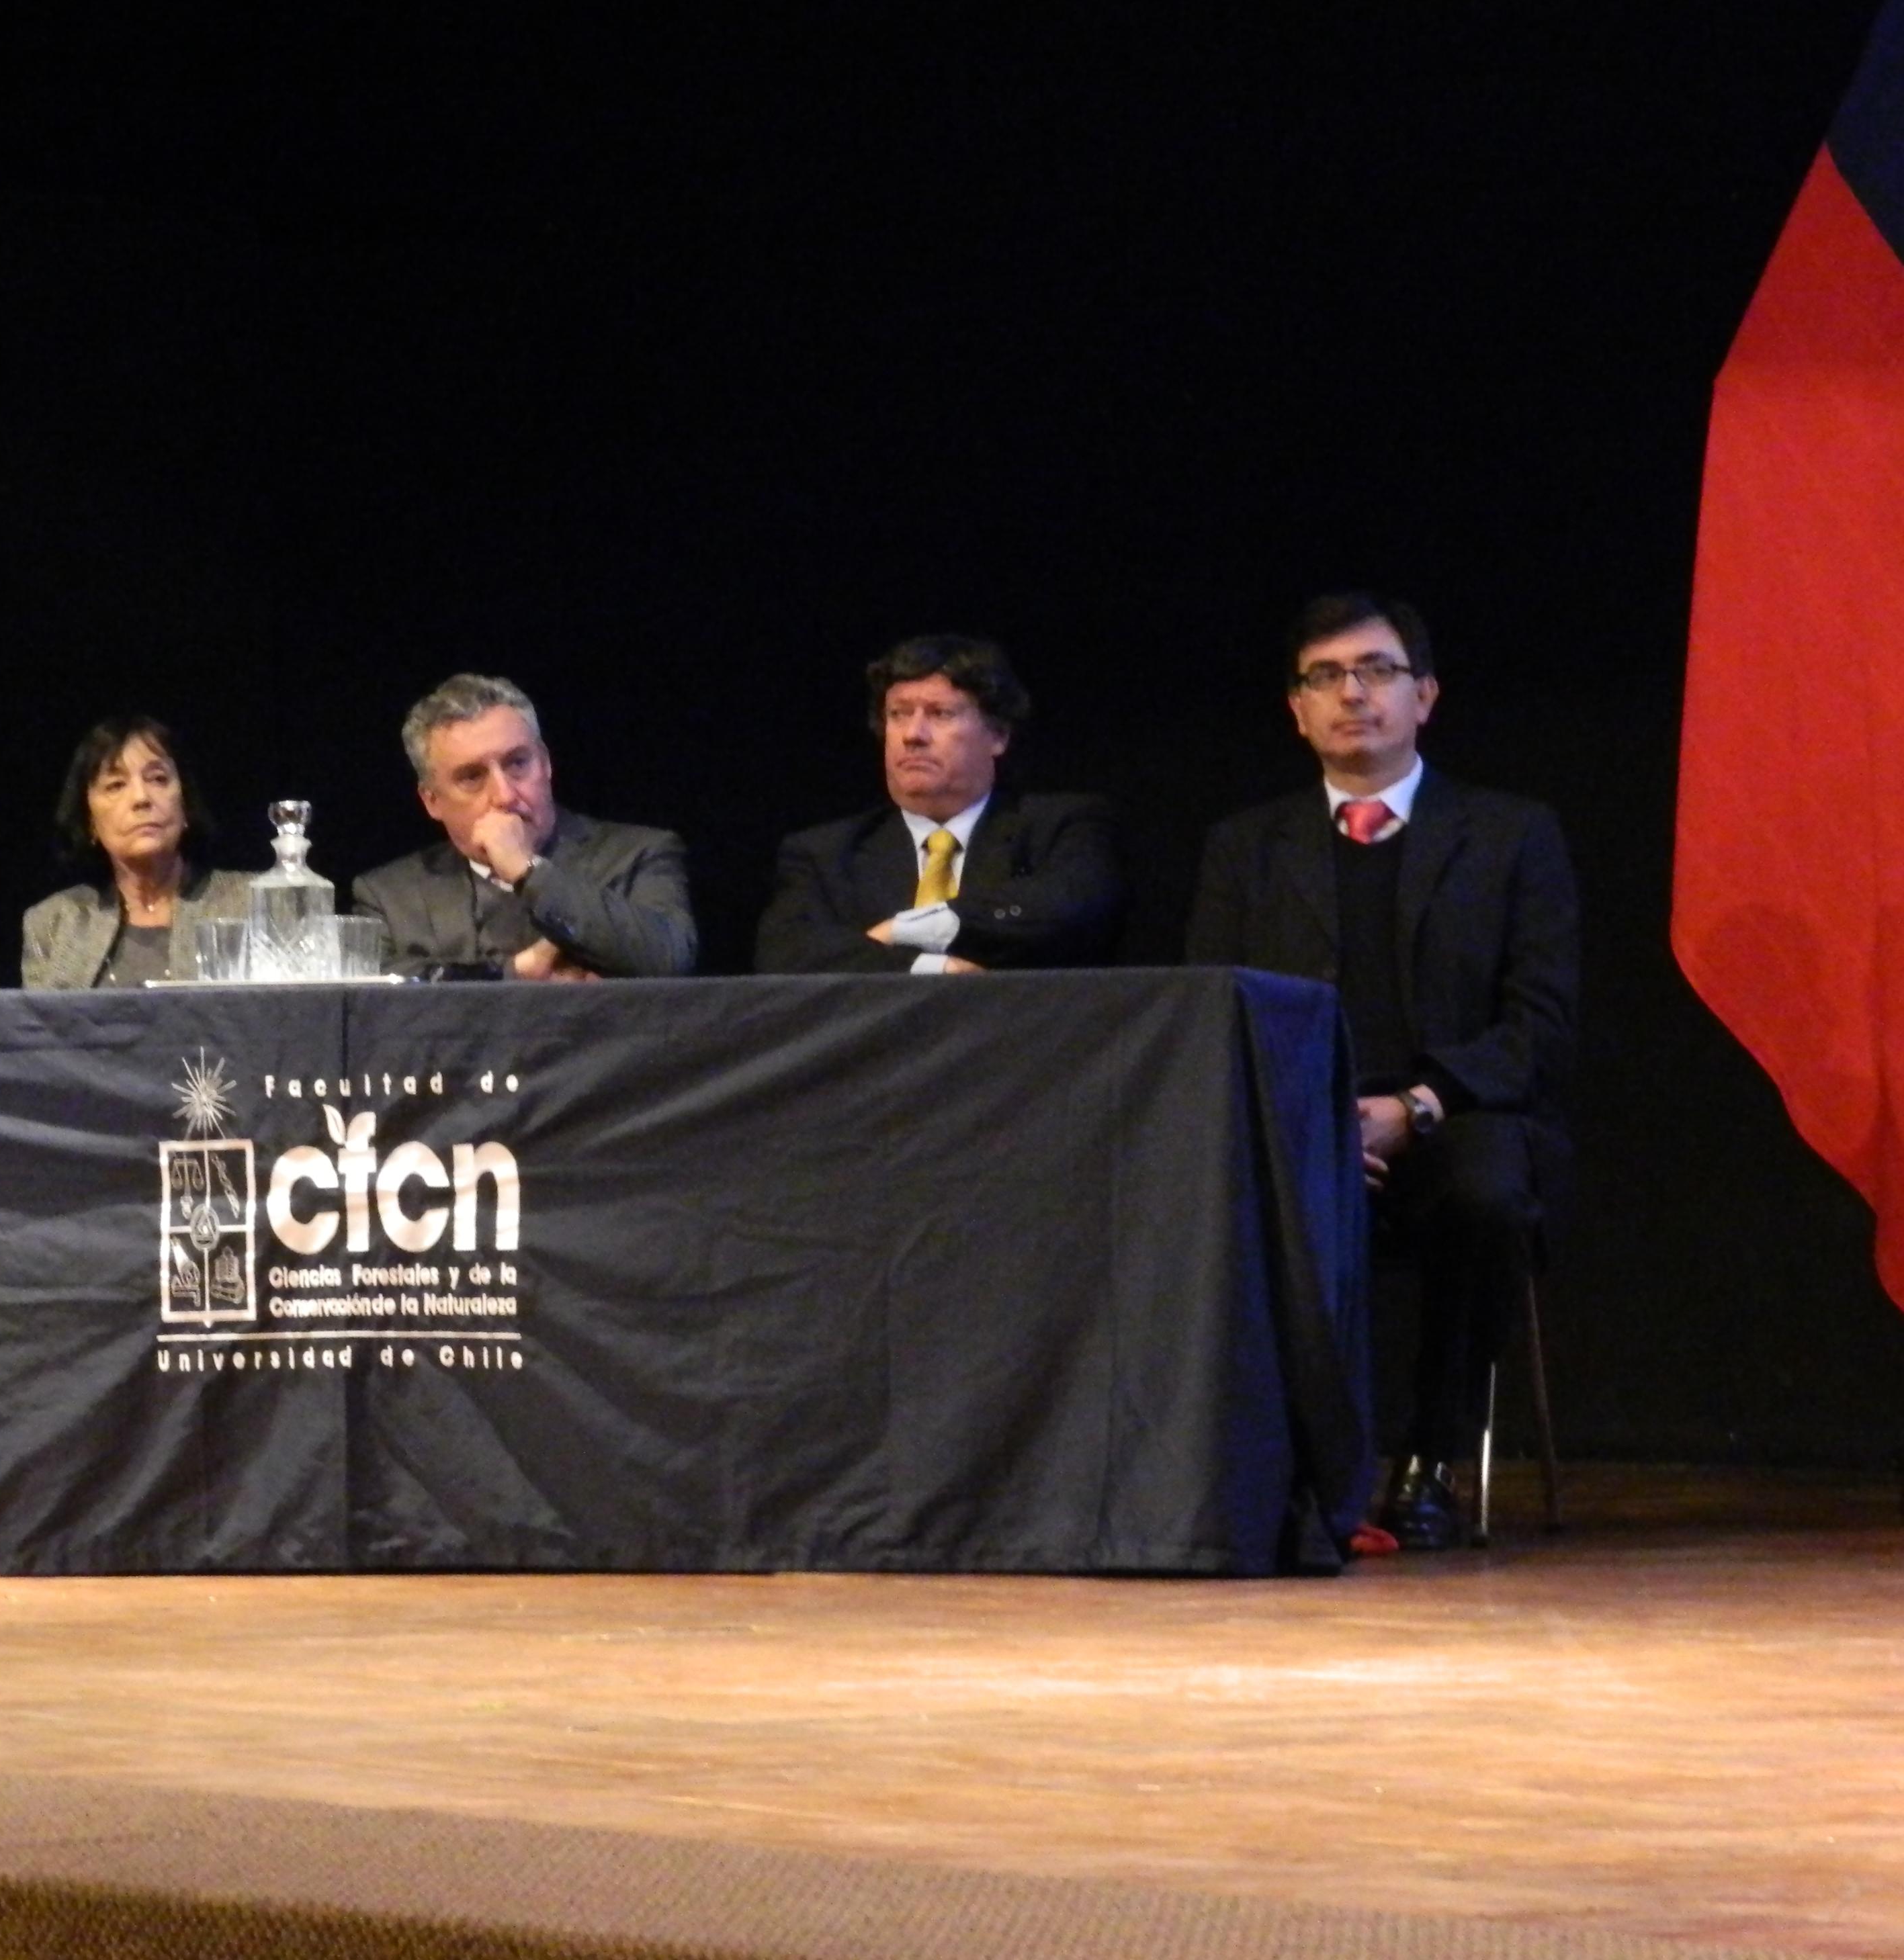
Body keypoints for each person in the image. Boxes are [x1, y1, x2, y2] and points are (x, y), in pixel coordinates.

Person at [1184, 592, 1578, 1551]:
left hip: (1458, 1114)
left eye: (1377, 671)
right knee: (1216, 1194)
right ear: (1297, 710)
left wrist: (1416, 1105)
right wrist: (1311, 1123)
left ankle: (1429, 1458)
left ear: (1425, 696)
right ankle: (1282, 1466)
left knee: (1484, 1194)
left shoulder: (1511, 833)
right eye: (1326, 677)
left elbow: (1541, 1023)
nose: (1352, 693)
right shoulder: (1248, 847)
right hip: (1298, 1123)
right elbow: (1209, 1012)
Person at [754, 633, 1127, 974]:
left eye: (940, 713)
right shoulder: (825, 854)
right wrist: (930, 968)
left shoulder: (1061, 827)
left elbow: (1070, 907)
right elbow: (786, 955)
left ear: (997, 735)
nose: (913, 735)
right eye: (898, 714)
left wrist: (912, 929)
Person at [353, 673, 697, 980]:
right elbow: (375, 990)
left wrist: (527, 871)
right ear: (432, 801)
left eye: (518, 763)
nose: (504, 795)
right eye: (472, 777)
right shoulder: (388, 895)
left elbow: (668, 957)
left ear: (545, 764)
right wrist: (514, 972)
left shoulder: (636, 855)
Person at [23, 717, 254, 988]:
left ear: (186, 806)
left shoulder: (251, 904)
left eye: (158, 779)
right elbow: (42, 1029)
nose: (141, 798)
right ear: (91, 822)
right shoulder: (55, 922)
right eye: (116, 785)